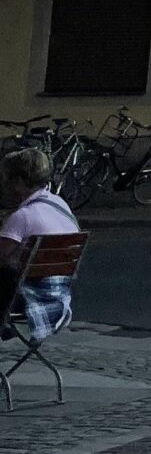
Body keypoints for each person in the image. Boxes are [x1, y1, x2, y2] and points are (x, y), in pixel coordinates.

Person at [0, 147, 78, 344]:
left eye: (5, 178)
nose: (3, 184)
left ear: (18, 181)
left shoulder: (23, 217)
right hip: (58, 298)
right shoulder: (59, 204)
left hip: (25, 300)